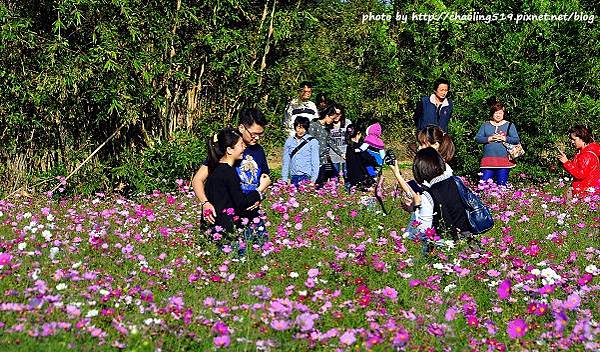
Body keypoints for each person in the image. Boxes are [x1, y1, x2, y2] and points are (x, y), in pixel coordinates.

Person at [192, 108, 270, 225]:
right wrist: (205, 203)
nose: (257, 138)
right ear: (241, 128)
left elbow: (265, 180)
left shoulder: (258, 151)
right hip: (230, 215)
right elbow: (197, 179)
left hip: (252, 214)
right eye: (254, 134)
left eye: (260, 134)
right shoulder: (226, 148)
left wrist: (259, 196)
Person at [396, 147, 476, 253]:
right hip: (469, 241)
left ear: (419, 170)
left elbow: (422, 231)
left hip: (446, 247)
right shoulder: (456, 182)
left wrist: (416, 206)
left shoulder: (428, 195)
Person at [204, 128, 271, 248]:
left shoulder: (215, 170)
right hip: (227, 233)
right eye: (241, 145)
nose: (244, 148)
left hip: (216, 230)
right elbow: (241, 202)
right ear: (229, 150)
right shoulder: (229, 173)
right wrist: (260, 189)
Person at [475, 101, 520, 186]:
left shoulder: (509, 125)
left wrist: (504, 138)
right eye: (496, 113)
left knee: (502, 186)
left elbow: (516, 140)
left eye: (500, 113)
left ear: (503, 114)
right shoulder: (485, 125)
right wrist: (489, 138)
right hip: (487, 161)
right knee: (483, 186)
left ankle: (502, 200)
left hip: (504, 161)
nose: (498, 115)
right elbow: (477, 138)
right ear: (492, 113)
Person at [309, 104, 345, 186]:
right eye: (332, 118)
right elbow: (309, 142)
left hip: (324, 159)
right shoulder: (313, 125)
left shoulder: (326, 128)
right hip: (314, 159)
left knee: (321, 181)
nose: (332, 121)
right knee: (314, 181)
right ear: (327, 115)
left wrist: (341, 153)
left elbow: (330, 141)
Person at [558, 125, 600, 195]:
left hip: (586, 193)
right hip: (586, 191)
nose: (572, 142)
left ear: (582, 138)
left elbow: (580, 174)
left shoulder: (587, 155)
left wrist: (566, 162)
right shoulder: (582, 152)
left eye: (574, 139)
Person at [281, 116, 320, 186]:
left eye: (304, 128)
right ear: (295, 127)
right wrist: (284, 179)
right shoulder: (289, 141)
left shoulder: (313, 142)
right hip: (294, 176)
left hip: (306, 176)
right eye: (299, 127)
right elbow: (286, 161)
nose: (301, 130)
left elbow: (315, 162)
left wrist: (313, 179)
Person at [344, 122, 378, 191]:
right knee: (371, 166)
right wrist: (374, 160)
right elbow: (368, 159)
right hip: (361, 178)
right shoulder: (360, 147)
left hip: (351, 178)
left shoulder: (349, 147)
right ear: (358, 133)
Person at [329, 104, 352, 179]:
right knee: (334, 177)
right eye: (333, 113)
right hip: (333, 154)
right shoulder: (328, 123)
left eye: (338, 114)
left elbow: (351, 137)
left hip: (346, 153)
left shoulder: (347, 122)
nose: (335, 116)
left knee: (348, 175)